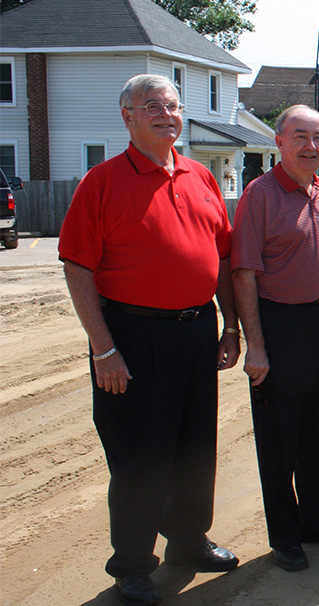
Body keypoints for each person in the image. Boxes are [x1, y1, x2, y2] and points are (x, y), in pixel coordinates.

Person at [59, 73, 240, 606]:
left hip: (195, 331)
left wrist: (229, 327)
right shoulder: (103, 182)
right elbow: (78, 268)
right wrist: (104, 348)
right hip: (133, 337)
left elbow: (224, 258)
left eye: (173, 105)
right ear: (128, 118)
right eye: (152, 106)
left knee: (193, 445)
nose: (166, 114)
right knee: (141, 457)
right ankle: (134, 564)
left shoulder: (201, 176)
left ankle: (189, 540)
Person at [231, 105, 319, 572]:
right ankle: (286, 537)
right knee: (280, 440)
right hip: (281, 327)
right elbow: (243, 272)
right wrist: (257, 345)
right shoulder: (259, 195)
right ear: (279, 143)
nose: (311, 146)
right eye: (300, 137)